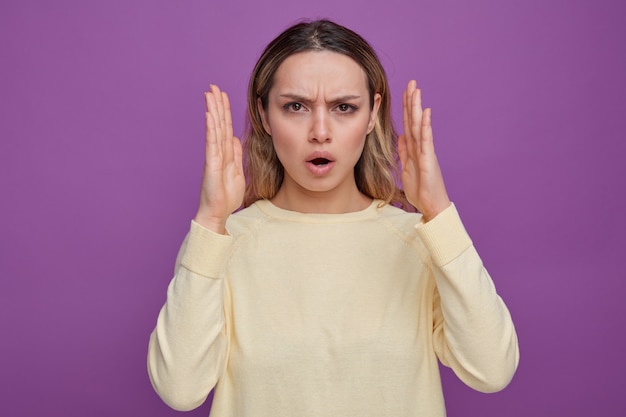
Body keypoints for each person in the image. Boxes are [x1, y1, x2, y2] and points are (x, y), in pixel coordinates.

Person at [147, 19, 519, 417]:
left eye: (344, 107)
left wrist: (439, 212)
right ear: (264, 115)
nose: (320, 132)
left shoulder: (422, 239)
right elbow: (180, 390)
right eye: (296, 107)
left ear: (373, 113)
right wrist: (210, 219)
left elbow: (491, 370)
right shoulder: (221, 242)